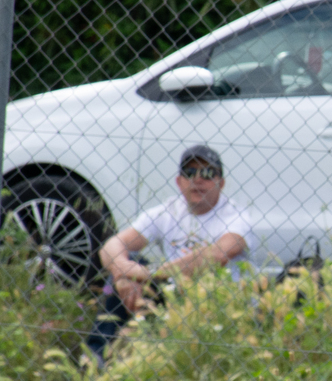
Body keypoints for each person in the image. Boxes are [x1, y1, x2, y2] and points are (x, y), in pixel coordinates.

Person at [87, 145, 254, 367]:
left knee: (137, 271)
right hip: (173, 295)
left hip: (218, 301)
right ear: (179, 182)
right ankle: (94, 360)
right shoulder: (169, 211)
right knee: (128, 268)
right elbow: (110, 246)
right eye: (190, 173)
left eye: (207, 173)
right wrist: (122, 273)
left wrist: (149, 274)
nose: (198, 179)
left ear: (221, 183)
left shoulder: (236, 216)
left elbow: (218, 253)